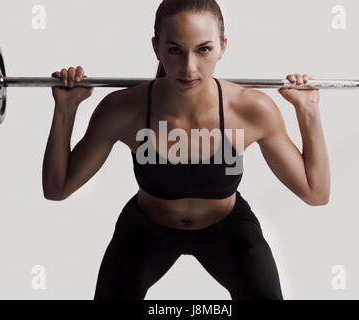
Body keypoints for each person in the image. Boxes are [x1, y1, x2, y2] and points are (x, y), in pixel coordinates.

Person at [42, 0, 330, 300]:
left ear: (222, 46)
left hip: (228, 230)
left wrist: (308, 111)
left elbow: (315, 192)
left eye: (203, 49)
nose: (189, 67)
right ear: (156, 47)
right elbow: (57, 187)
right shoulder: (123, 110)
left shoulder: (250, 110)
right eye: (175, 50)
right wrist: (65, 109)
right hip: (146, 230)